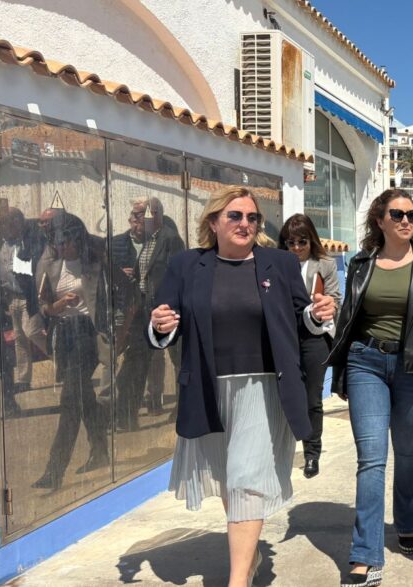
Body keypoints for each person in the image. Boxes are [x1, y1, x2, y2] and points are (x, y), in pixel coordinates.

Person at [149, 186, 336, 587]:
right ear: (213, 222)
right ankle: (248, 558)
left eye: (252, 217)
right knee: (228, 478)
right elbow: (164, 321)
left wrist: (317, 315)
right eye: (235, 216)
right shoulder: (187, 265)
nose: (245, 223)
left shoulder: (279, 264)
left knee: (247, 480)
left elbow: (300, 317)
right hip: (208, 389)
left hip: (262, 390)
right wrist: (160, 326)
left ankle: (238, 579)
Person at [325, 189, 413, 587]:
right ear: (380, 220)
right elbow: (348, 319)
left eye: (411, 214)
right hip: (366, 362)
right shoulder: (361, 264)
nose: (406, 220)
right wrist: (341, 373)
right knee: (372, 459)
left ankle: (406, 521)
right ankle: (365, 555)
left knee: (407, 451)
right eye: (397, 214)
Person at [32, 213, 111, 490]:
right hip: (63, 335)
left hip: (87, 334)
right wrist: (59, 305)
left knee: (70, 401)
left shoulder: (96, 263)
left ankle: (54, 470)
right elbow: (44, 308)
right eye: (56, 241)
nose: (60, 246)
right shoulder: (51, 265)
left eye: (64, 241)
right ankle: (100, 451)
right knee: (84, 397)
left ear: (77, 238)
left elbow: (117, 296)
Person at [111, 197, 185, 431]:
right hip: (142, 311)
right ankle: (127, 416)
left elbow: (178, 276)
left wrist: (171, 309)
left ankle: (183, 409)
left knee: (179, 361)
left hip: (165, 311)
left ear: (155, 215)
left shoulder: (170, 240)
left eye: (138, 215)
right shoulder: (146, 242)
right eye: (134, 215)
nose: (134, 219)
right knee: (134, 363)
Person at [278, 214, 341, 479]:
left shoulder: (324, 264)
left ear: (310, 240)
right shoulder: (278, 264)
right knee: (284, 394)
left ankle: (311, 453)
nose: (296, 247)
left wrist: (326, 305)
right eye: (290, 242)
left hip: (315, 337)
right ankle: (280, 450)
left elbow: (336, 299)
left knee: (312, 398)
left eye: (302, 241)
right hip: (286, 336)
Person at [0, 208, 48, 405]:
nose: (3, 228)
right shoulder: (2, 243)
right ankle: (23, 379)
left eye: (5, 224)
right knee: (19, 338)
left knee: (32, 332)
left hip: (28, 295)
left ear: (17, 223)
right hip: (11, 296)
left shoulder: (30, 239)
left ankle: (61, 360)